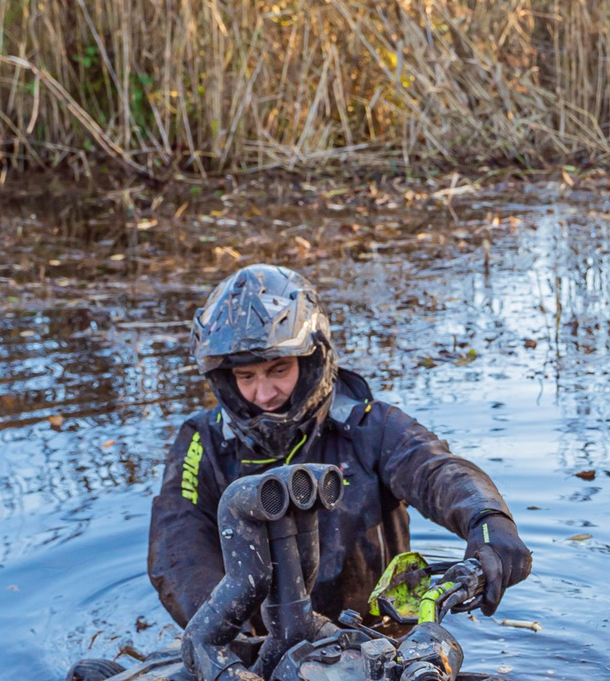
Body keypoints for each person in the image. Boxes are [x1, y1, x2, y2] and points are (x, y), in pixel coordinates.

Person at [147, 263, 532, 634]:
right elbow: (178, 544)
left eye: (279, 369)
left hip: (375, 640)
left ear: (311, 358)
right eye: (246, 377)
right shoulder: (201, 439)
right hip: (258, 648)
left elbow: (434, 468)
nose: (263, 394)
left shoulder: (370, 425)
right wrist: (229, 637)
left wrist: (487, 518)